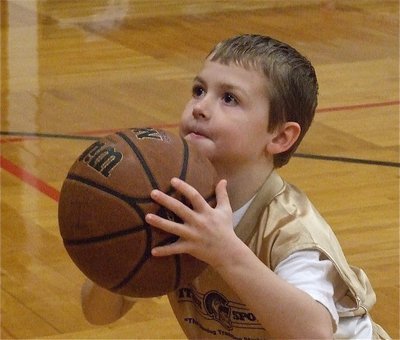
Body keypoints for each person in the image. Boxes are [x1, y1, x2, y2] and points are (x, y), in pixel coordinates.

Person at [81, 34, 390, 339]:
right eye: (199, 90)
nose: (200, 107)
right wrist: (121, 248)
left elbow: (313, 334)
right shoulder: (174, 203)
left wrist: (225, 252)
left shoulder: (292, 231)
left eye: (229, 98)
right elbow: (97, 314)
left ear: (281, 137)